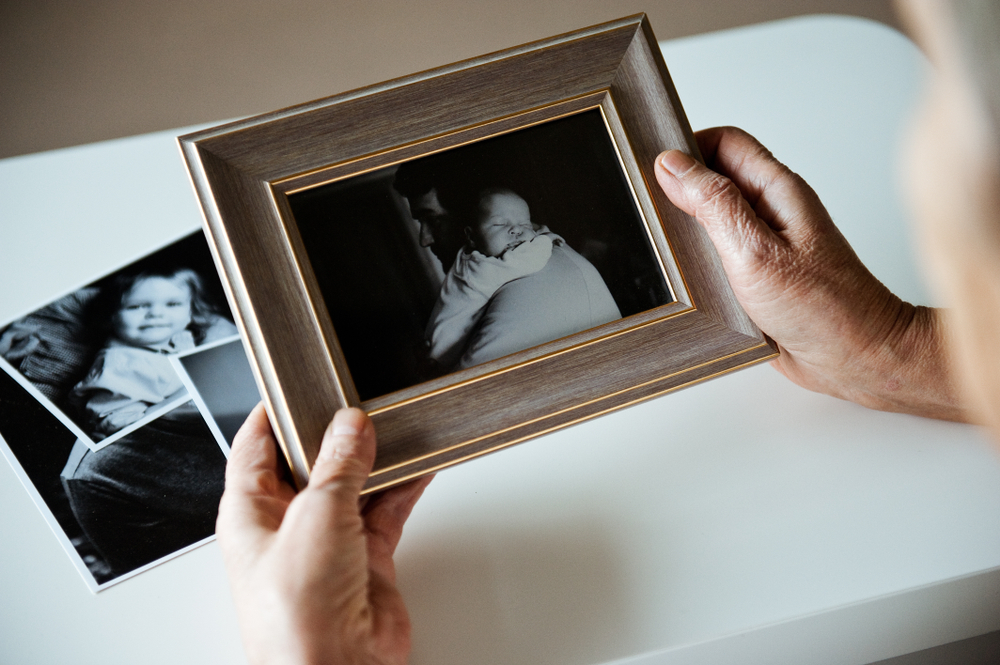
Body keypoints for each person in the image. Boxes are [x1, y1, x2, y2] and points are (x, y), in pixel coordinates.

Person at [215, 1, 999, 662]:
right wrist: (886, 347)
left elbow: (443, 365)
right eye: (480, 233)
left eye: (506, 229)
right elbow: (444, 340)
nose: (491, 243)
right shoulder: (487, 271)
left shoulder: (534, 275)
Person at [426, 187, 620, 370]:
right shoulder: (478, 268)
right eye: (499, 224)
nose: (516, 230)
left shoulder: (474, 256)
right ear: (471, 236)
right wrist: (545, 239)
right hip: (442, 351)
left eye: (525, 224)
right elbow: (527, 261)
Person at [68, 268, 237, 439]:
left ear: (191, 312)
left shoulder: (182, 338)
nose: (156, 314)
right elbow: (114, 428)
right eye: (136, 306)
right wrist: (189, 391)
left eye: (172, 304)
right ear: (111, 316)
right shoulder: (120, 364)